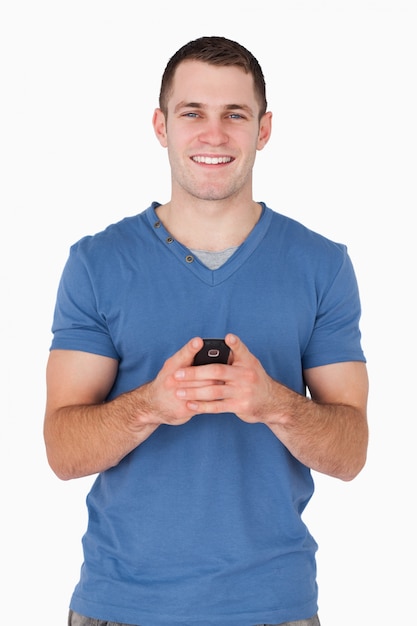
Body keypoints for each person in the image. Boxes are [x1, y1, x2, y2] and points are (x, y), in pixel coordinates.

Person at [44, 35, 369, 626]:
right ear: (161, 126)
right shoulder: (97, 263)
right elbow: (62, 452)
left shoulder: (322, 265)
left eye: (234, 115)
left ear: (263, 130)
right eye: (192, 113)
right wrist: (151, 405)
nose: (213, 134)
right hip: (121, 606)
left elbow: (351, 453)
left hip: (274, 608)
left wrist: (275, 404)